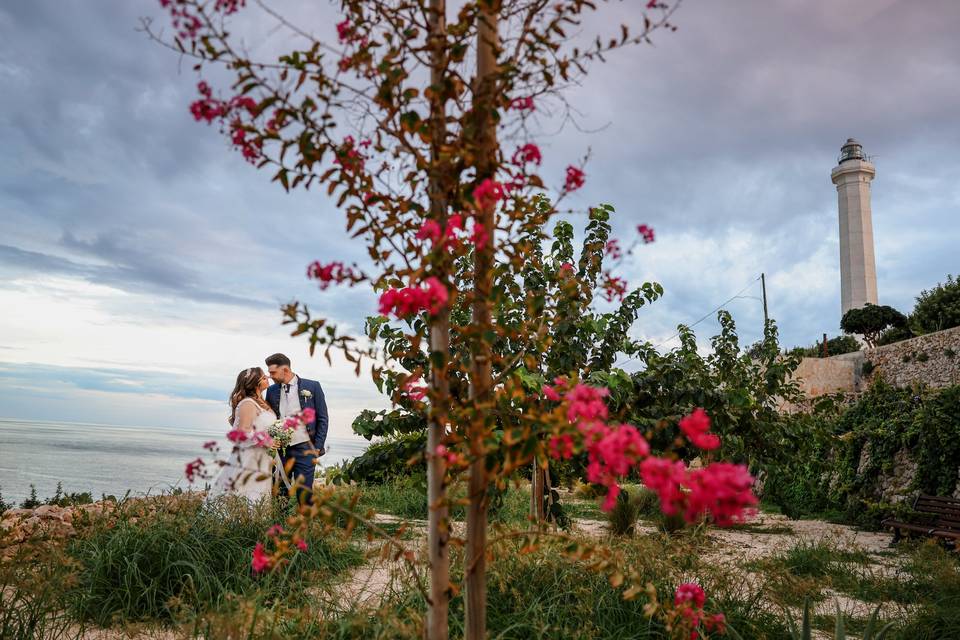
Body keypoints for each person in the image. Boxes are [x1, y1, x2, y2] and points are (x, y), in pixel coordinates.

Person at [264, 353, 329, 504]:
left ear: (285, 370)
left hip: (306, 448)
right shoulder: (272, 390)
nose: (270, 376)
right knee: (280, 492)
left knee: (305, 493)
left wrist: (317, 448)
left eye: (273, 372)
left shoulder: (312, 386)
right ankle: (280, 525)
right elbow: (269, 418)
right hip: (281, 450)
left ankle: (307, 525)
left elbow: (323, 419)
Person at [207, 367, 274, 504]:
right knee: (245, 491)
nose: (268, 377)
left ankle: (254, 524)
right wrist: (266, 441)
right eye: (263, 377)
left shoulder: (262, 402)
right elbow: (243, 432)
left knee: (259, 493)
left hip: (262, 457)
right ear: (255, 383)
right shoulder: (248, 404)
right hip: (249, 457)